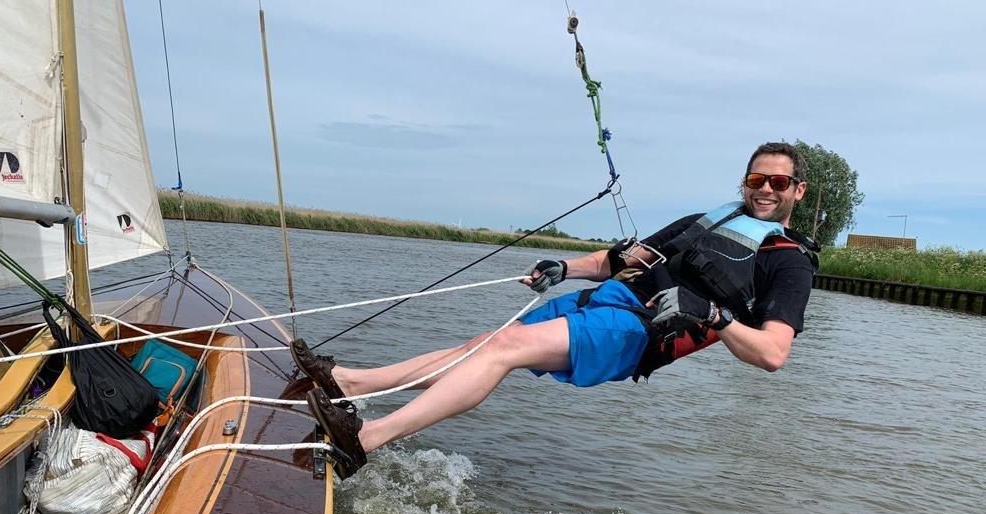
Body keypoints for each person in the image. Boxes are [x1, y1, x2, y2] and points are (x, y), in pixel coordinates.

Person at [299, 142, 820, 479]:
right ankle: (352, 384)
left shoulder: (788, 263)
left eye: (778, 183)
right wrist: (563, 269)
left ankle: (365, 440)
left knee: (503, 349)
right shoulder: (702, 221)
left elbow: (773, 353)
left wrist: (714, 317)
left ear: (797, 190)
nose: (766, 190)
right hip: (609, 300)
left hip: (639, 334)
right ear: (744, 183)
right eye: (757, 180)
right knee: (481, 346)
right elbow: (618, 259)